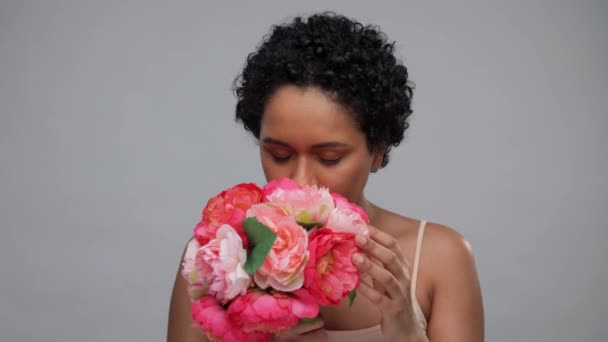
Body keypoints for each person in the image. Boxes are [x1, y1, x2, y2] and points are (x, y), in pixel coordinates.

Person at [167, 12, 484, 342]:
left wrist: (408, 334)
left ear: (378, 150)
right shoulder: (213, 260)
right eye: (279, 155)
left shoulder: (441, 259)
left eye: (329, 158)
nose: (301, 181)